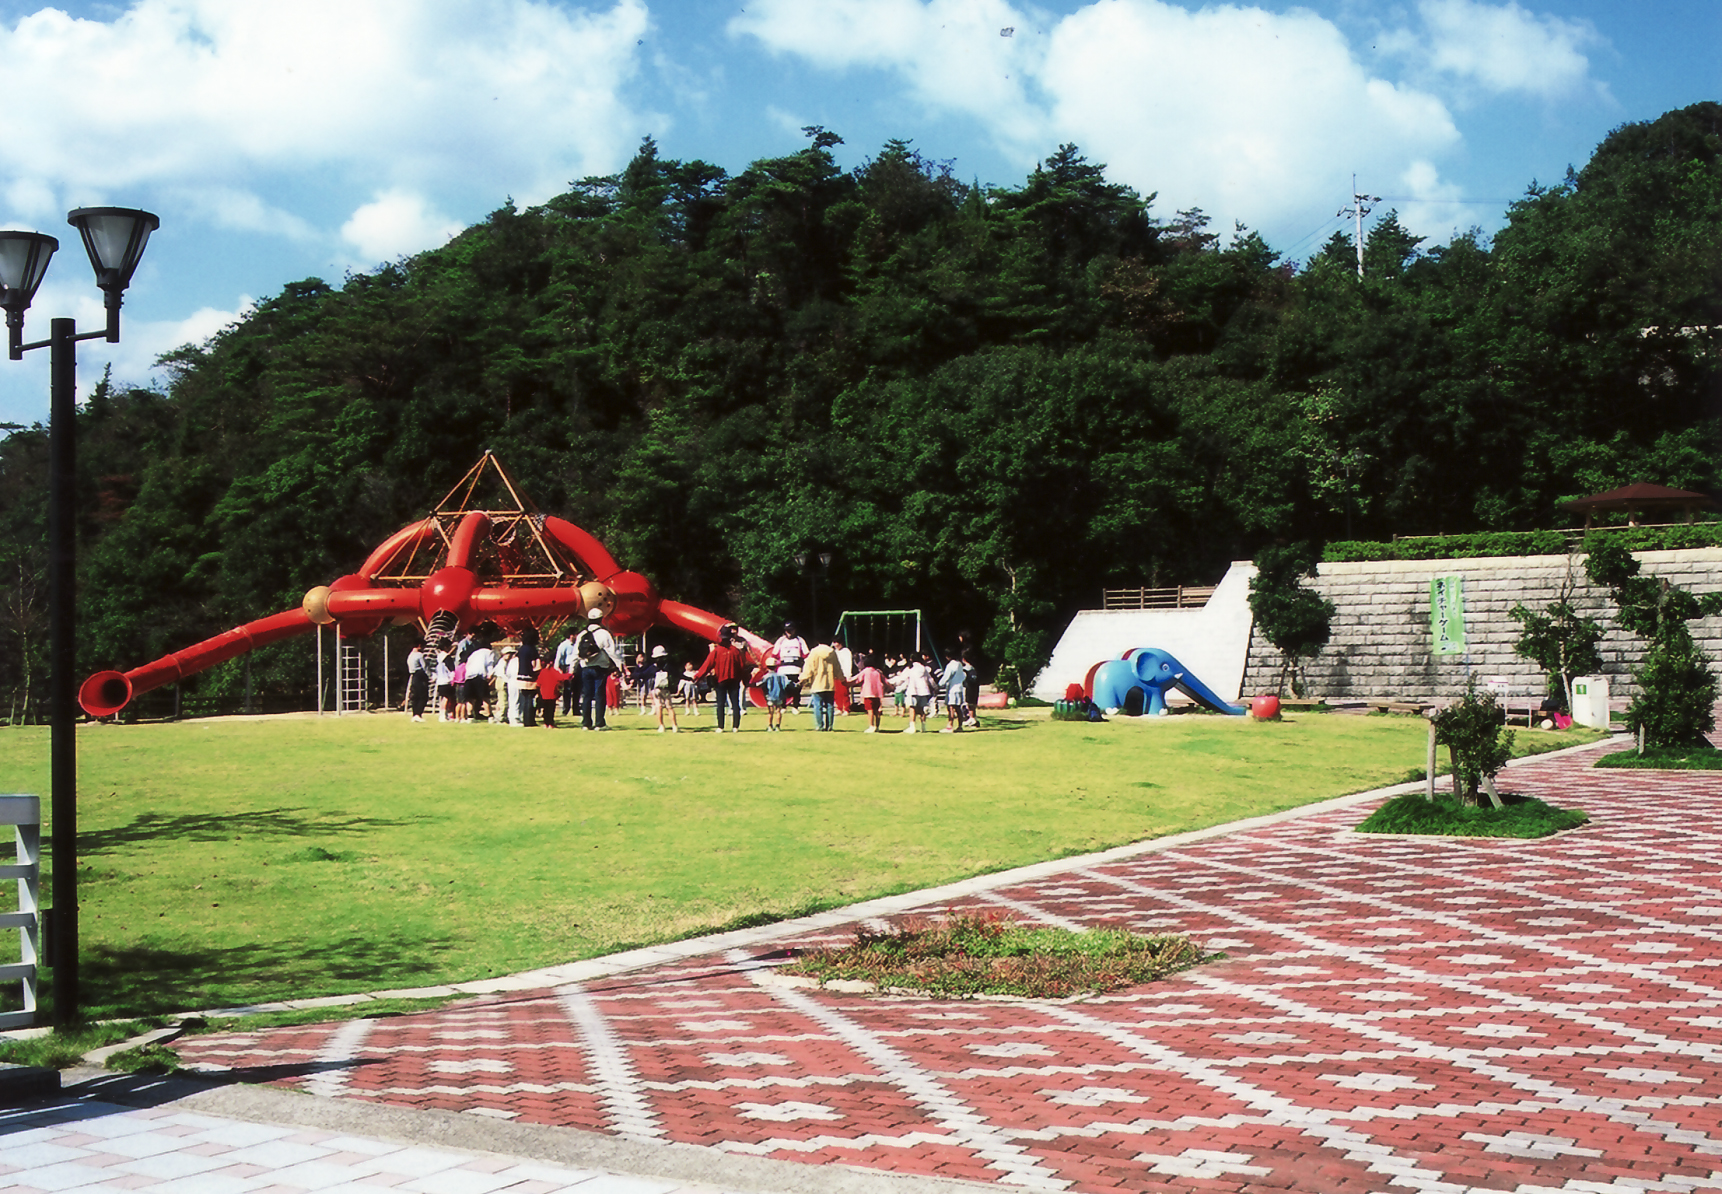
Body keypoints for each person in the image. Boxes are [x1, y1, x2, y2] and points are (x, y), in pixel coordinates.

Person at [575, 609, 628, 730]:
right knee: (599, 695)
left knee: (587, 696)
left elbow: (576, 653)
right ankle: (599, 723)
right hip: (600, 668)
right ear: (600, 619)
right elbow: (612, 652)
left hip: (585, 667)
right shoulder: (604, 633)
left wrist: (572, 669)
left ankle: (586, 723)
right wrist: (620, 665)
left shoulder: (582, 634)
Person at [693, 623, 749, 731]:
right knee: (735, 703)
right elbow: (742, 666)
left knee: (720, 704)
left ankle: (720, 727)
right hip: (734, 680)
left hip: (721, 681)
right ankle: (735, 727)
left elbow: (707, 665)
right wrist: (742, 678)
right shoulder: (736, 651)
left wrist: (697, 677)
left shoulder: (717, 651)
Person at [800, 635, 848, 732]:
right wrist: (842, 679)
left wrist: (802, 678)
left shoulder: (814, 652)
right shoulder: (832, 652)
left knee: (818, 706)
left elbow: (809, 667)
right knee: (830, 705)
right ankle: (829, 726)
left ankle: (819, 726)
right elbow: (837, 667)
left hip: (817, 683)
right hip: (830, 683)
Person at [772, 621, 809, 713]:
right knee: (783, 688)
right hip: (783, 668)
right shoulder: (781, 640)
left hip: (795, 668)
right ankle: (783, 706)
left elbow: (806, 654)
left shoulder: (800, 640)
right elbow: (774, 654)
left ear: (794, 630)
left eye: (791, 630)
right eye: (787, 631)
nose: (789, 632)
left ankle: (795, 706)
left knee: (796, 688)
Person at [896, 651, 935, 733]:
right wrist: (936, 687)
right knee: (921, 709)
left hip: (913, 690)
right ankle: (923, 727)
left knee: (912, 708)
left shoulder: (910, 668)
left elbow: (901, 679)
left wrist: (894, 685)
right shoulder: (924, 668)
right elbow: (930, 680)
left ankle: (912, 727)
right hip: (924, 691)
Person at [463, 637, 495, 723]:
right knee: (485, 697)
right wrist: (490, 675)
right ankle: (490, 716)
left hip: (469, 676)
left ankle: (470, 716)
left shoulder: (473, 653)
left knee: (470, 698)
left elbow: (468, 665)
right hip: (480, 676)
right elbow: (489, 664)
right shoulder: (488, 652)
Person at [515, 626, 540, 728]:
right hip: (530, 677)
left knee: (525, 699)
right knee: (531, 699)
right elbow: (535, 665)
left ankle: (525, 720)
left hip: (521, 676)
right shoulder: (532, 650)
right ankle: (530, 720)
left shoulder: (521, 649)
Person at [855, 652, 886, 733]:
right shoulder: (878, 671)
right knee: (876, 711)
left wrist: (847, 682)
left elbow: (857, 678)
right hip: (877, 694)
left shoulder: (866, 671)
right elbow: (885, 681)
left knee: (870, 710)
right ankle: (877, 726)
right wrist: (891, 687)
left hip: (868, 694)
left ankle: (871, 726)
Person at [940, 649, 971, 732]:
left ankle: (950, 726)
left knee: (951, 707)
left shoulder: (951, 665)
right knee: (958, 708)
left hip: (952, 689)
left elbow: (947, 676)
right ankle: (960, 726)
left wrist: (939, 684)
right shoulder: (960, 664)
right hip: (959, 688)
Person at [651, 649, 680, 733]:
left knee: (659, 707)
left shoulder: (653, 667)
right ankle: (674, 726)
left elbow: (644, 674)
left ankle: (661, 726)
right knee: (669, 707)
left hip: (656, 689)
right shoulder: (668, 666)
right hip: (666, 689)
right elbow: (677, 674)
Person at [554, 627, 581, 718]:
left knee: (577, 689)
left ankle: (576, 709)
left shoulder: (577, 645)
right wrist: (558, 669)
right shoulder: (564, 645)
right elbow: (559, 658)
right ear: (571, 635)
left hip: (577, 667)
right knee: (568, 689)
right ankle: (566, 708)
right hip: (567, 667)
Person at [405, 636, 430, 722]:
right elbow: (425, 667)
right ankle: (418, 714)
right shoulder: (420, 655)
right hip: (420, 675)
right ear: (419, 645)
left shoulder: (410, 655)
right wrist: (430, 676)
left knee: (415, 696)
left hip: (413, 676)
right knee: (423, 696)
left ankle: (414, 713)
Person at [762, 666, 793, 731]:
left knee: (770, 711)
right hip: (779, 695)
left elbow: (761, 684)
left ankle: (770, 726)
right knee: (778, 711)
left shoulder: (766, 676)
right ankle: (777, 726)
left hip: (770, 696)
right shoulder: (781, 676)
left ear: (767, 667)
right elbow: (788, 683)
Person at [435, 647, 457, 721]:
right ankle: (443, 715)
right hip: (446, 680)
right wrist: (453, 679)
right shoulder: (447, 658)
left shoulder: (438, 659)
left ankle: (444, 714)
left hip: (439, 680)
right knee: (446, 698)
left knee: (443, 698)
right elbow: (452, 671)